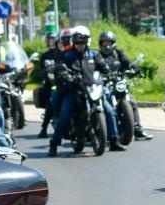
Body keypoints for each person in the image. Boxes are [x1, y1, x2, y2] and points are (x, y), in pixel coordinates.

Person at [49, 27, 121, 155]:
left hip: (93, 88)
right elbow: (60, 68)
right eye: (77, 43)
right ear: (74, 43)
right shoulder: (67, 56)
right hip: (74, 90)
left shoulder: (94, 54)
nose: (80, 46)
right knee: (65, 114)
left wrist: (109, 73)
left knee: (109, 110)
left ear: (87, 43)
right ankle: (54, 144)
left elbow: (102, 65)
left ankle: (114, 140)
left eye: (82, 43)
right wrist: (66, 75)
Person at [97, 29, 152, 140]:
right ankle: (96, 131)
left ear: (113, 43)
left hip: (118, 83)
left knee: (131, 100)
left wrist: (134, 68)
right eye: (104, 43)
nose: (107, 45)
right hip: (104, 85)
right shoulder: (97, 55)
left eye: (109, 42)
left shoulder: (118, 53)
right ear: (101, 43)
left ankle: (137, 129)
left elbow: (128, 62)